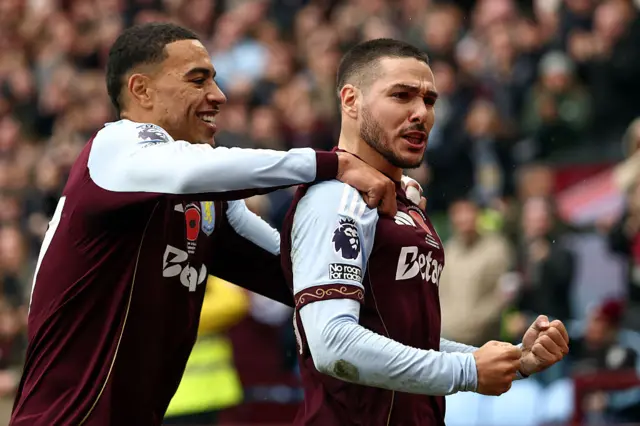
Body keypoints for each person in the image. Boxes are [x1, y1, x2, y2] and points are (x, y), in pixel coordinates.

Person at [9, 23, 398, 426]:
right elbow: (187, 172)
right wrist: (334, 164)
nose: (219, 95)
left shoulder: (207, 200)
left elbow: (306, 282)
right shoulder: (113, 148)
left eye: (215, 79)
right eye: (198, 80)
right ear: (141, 90)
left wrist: (450, 357)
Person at [280, 38, 570, 426]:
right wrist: (467, 372)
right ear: (351, 101)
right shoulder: (338, 200)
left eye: (430, 101)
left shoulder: (404, 204)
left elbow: (408, 340)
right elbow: (333, 345)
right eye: (401, 96)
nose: (421, 113)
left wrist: (513, 359)